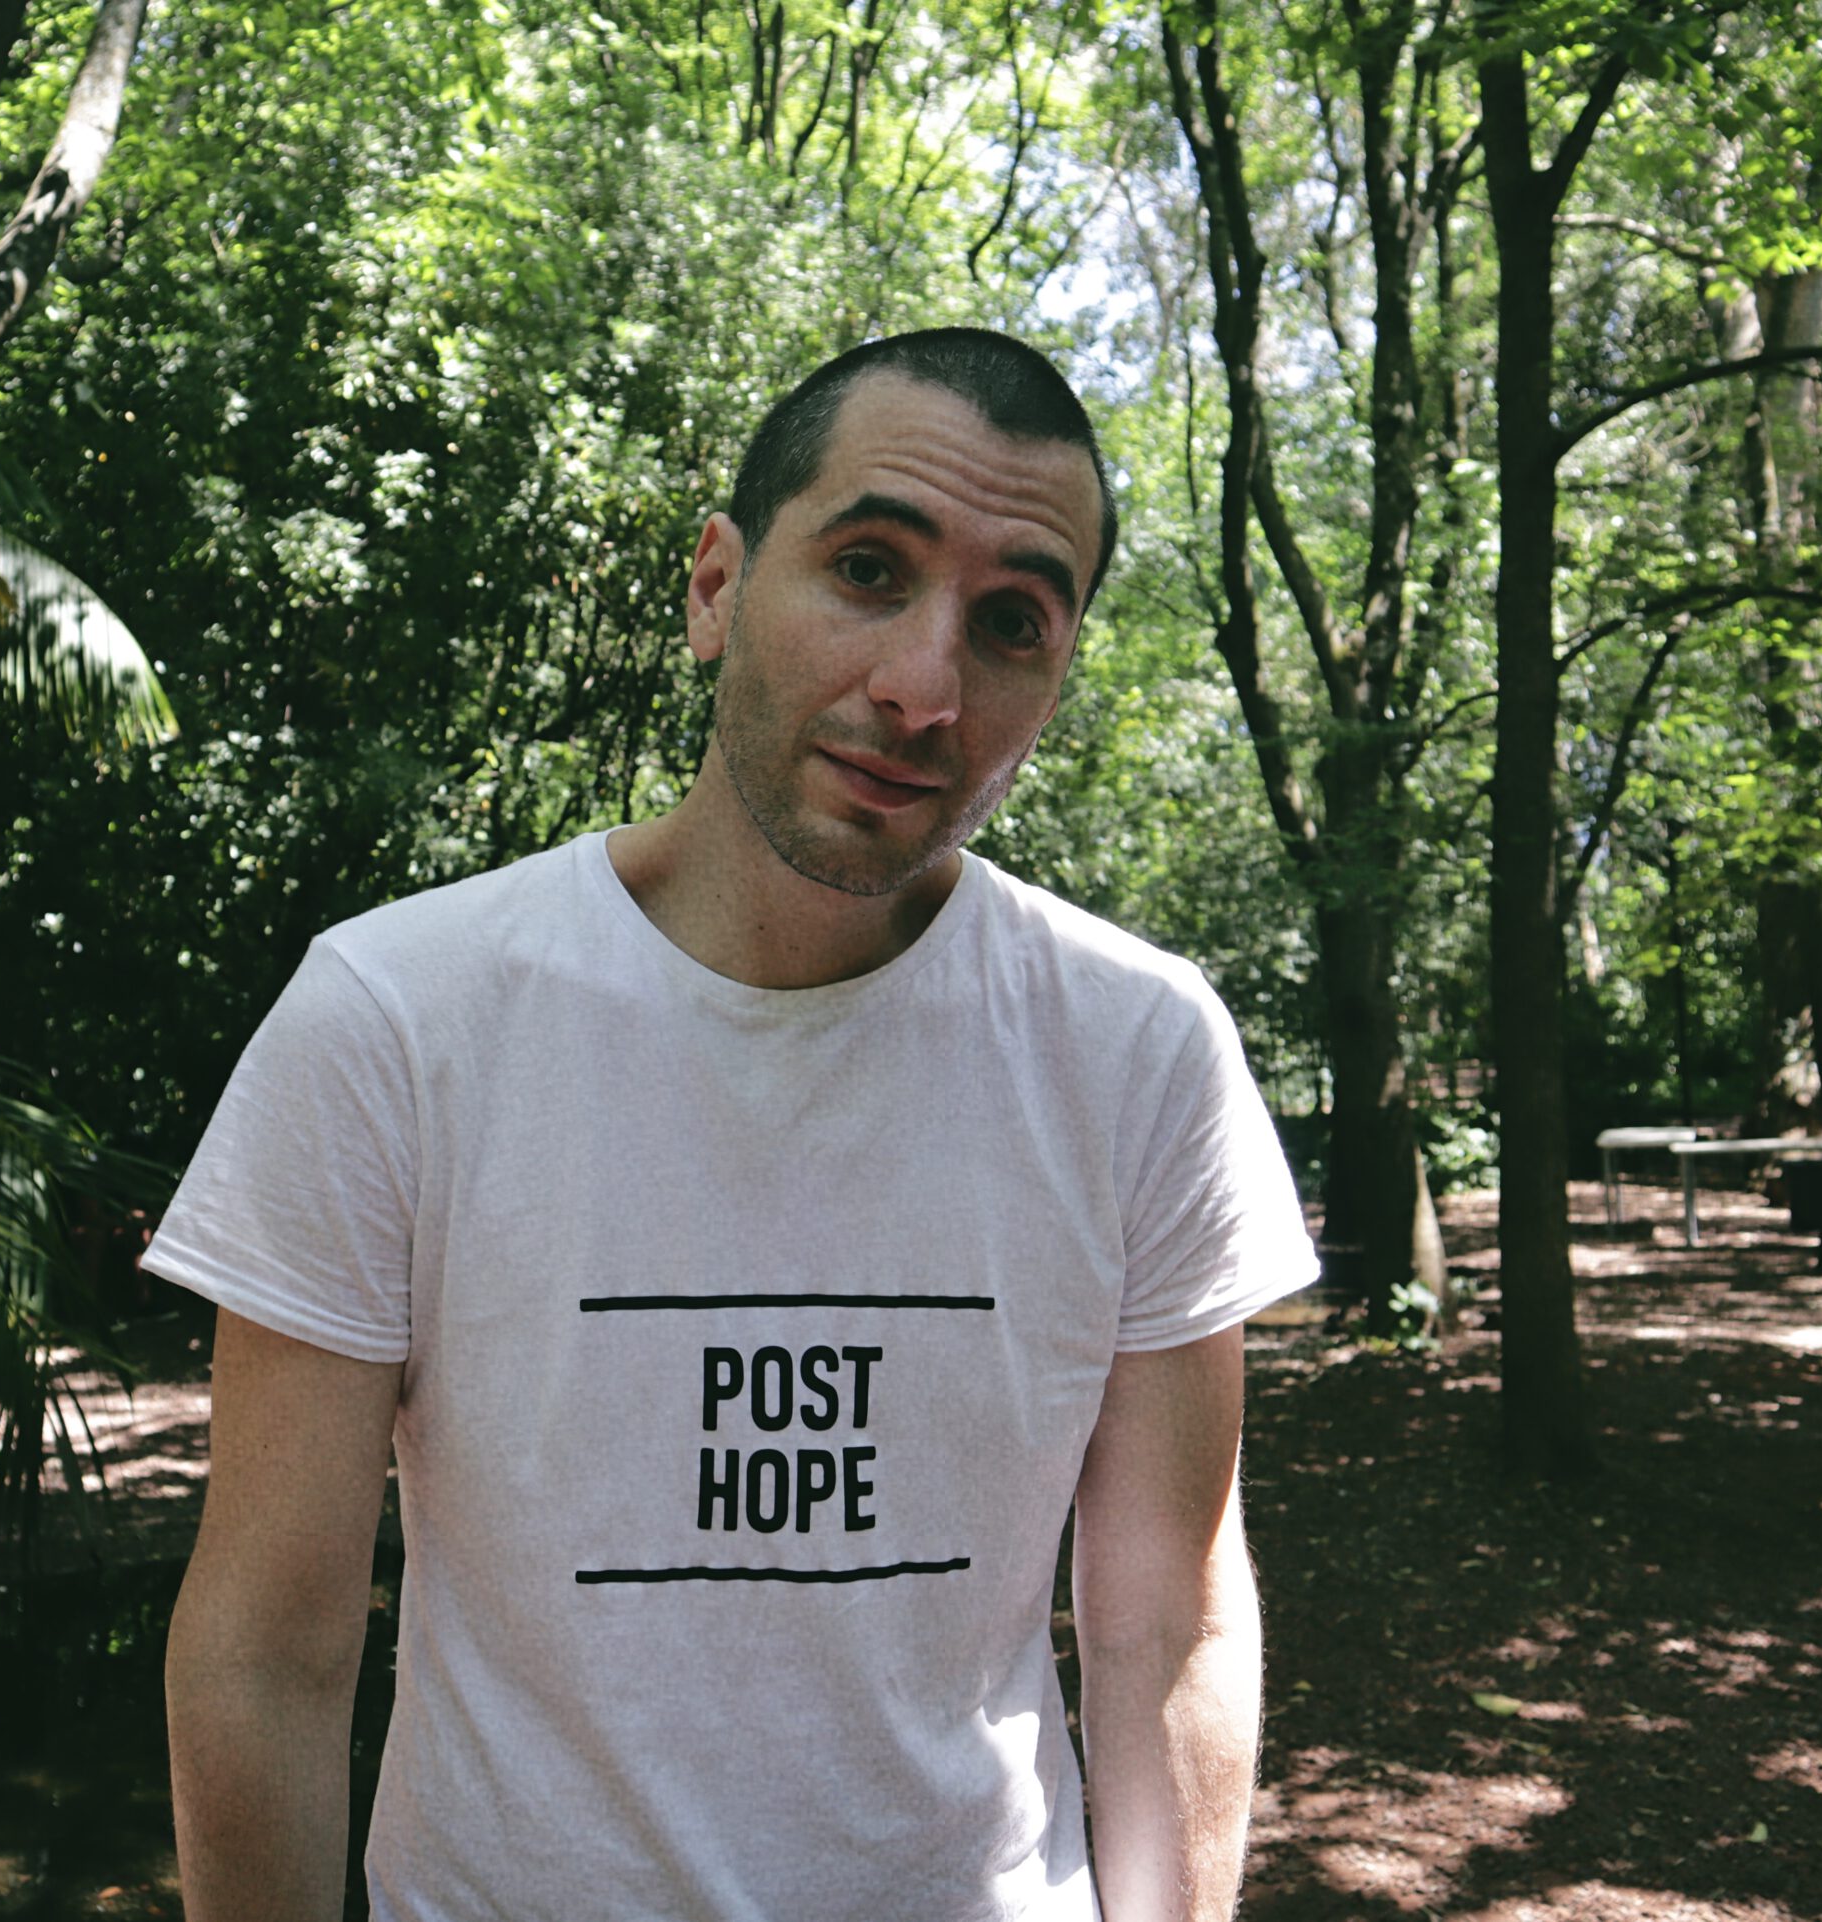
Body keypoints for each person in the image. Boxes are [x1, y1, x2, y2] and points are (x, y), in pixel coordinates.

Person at [150, 328, 1317, 1922]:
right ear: (716, 587)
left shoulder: (1141, 1050)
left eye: (1011, 622)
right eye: (867, 568)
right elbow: (271, 1647)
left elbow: (1168, 1625)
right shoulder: (397, 1021)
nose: (922, 687)